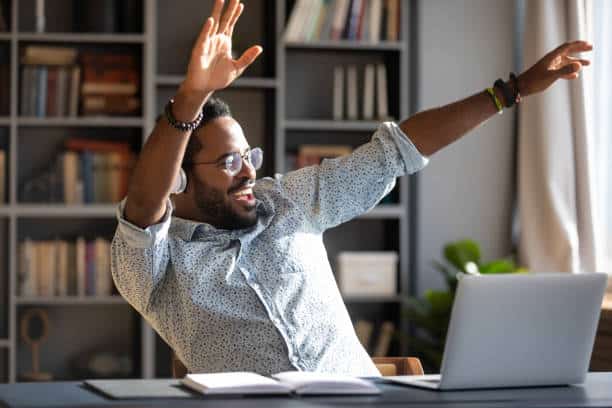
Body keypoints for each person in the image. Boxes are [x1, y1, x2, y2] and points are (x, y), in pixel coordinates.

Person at [110, 0, 592, 376]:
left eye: (249, 157)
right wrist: (192, 97)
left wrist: (513, 90)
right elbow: (143, 212)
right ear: (180, 183)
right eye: (230, 161)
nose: (249, 172)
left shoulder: (290, 203)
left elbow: (398, 149)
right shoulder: (157, 267)